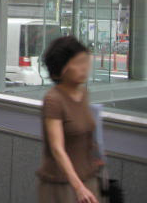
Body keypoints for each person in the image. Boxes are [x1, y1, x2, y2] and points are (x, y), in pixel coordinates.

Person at [37, 36, 104, 203]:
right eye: (78, 63)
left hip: (88, 180)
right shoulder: (54, 99)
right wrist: (78, 187)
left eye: (86, 61)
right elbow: (57, 148)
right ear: (63, 68)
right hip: (63, 185)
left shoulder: (83, 94)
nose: (84, 68)